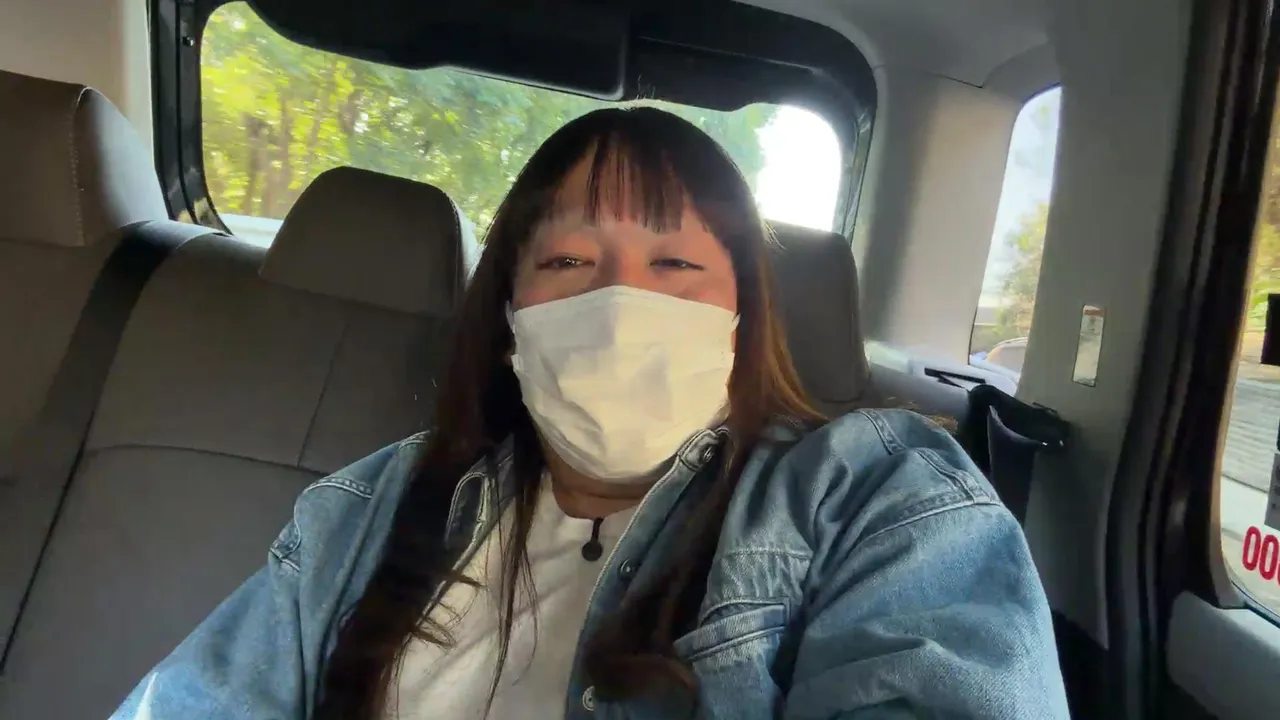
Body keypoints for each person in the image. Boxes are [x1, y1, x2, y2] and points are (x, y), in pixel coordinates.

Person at [111, 107, 1068, 719]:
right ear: (509, 316)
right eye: (569, 261)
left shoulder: (876, 494)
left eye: (675, 264)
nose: (619, 302)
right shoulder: (369, 507)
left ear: (742, 319)